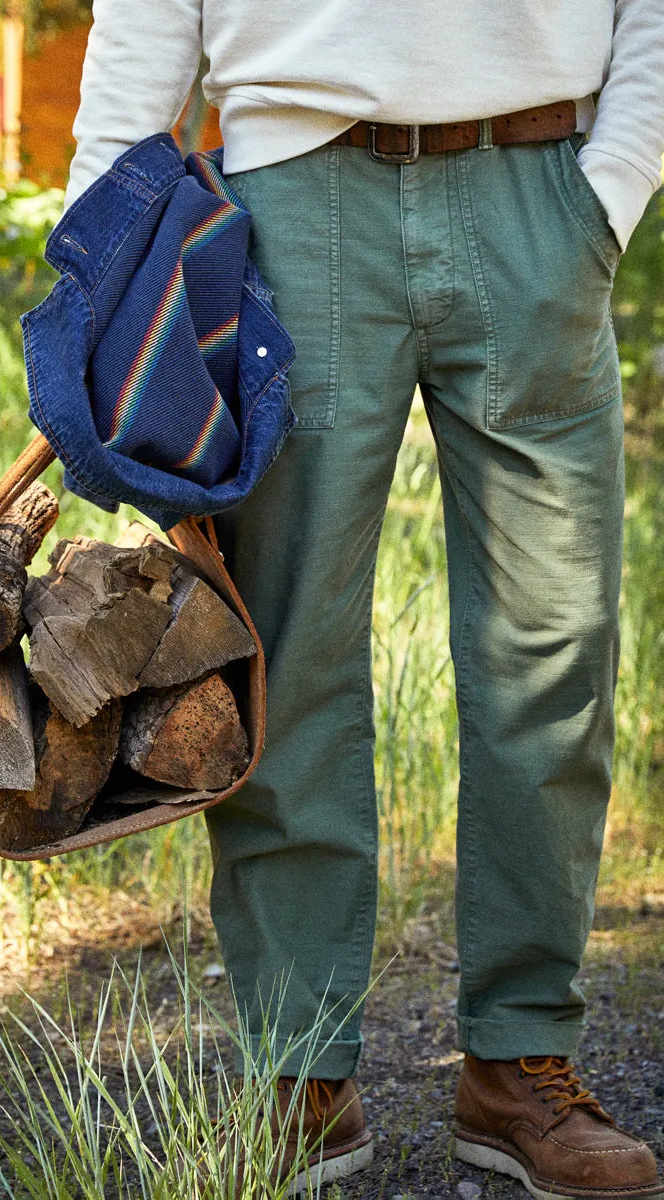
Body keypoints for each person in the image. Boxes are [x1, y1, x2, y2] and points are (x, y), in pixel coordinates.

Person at [59, 3, 664, 1196]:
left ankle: (518, 1061)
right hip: (288, 206)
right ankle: (298, 1070)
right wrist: (104, 262)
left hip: (540, 192)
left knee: (554, 644)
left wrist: (615, 186)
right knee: (286, 646)